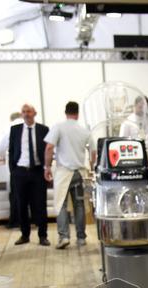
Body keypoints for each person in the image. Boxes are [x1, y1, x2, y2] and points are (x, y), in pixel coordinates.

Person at [44, 101, 91, 249]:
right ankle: (81, 238)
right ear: (77, 114)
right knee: (79, 206)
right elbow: (94, 151)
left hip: (63, 173)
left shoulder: (59, 127)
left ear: (65, 112)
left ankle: (64, 237)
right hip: (78, 173)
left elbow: (49, 147)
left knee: (61, 205)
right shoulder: (84, 130)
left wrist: (47, 167)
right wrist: (93, 164)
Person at [8, 104, 50, 246]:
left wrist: (46, 168)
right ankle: (24, 234)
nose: (26, 114)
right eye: (24, 112)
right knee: (21, 204)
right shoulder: (15, 130)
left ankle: (43, 235)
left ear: (35, 113)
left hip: (37, 171)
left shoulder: (43, 130)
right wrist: (13, 171)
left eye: (29, 112)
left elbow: (47, 150)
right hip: (20, 171)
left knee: (40, 204)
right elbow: (11, 151)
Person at [0, 112, 22, 228]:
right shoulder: (27, 126)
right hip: (30, 166)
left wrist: (1, 157)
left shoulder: (9, 128)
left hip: (15, 165)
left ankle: (15, 221)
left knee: (15, 194)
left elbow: (1, 148)